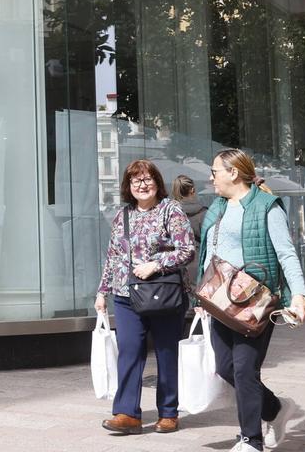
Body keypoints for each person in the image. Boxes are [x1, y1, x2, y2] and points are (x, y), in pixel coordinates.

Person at [198, 149, 305, 452]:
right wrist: (202, 294)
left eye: (215, 171)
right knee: (225, 368)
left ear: (233, 173)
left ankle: (251, 440)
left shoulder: (266, 207)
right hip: (220, 303)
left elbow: (286, 253)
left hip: (255, 304)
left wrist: (298, 295)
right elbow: (209, 252)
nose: (211, 177)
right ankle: (274, 409)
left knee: (246, 369)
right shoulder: (217, 207)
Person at [96, 160, 196, 436]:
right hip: (127, 294)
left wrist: (156, 264)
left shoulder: (170, 210)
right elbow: (112, 256)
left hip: (163, 292)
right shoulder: (122, 215)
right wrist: (103, 291)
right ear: (128, 187)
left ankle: (168, 413)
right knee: (128, 350)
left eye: (147, 179)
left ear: (157, 182)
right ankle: (127, 414)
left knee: (166, 352)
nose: (142, 184)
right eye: (136, 180)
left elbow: (187, 249)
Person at [172, 175, 206, 286]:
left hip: (175, 266)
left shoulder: (169, 213)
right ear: (192, 190)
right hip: (198, 264)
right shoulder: (204, 213)